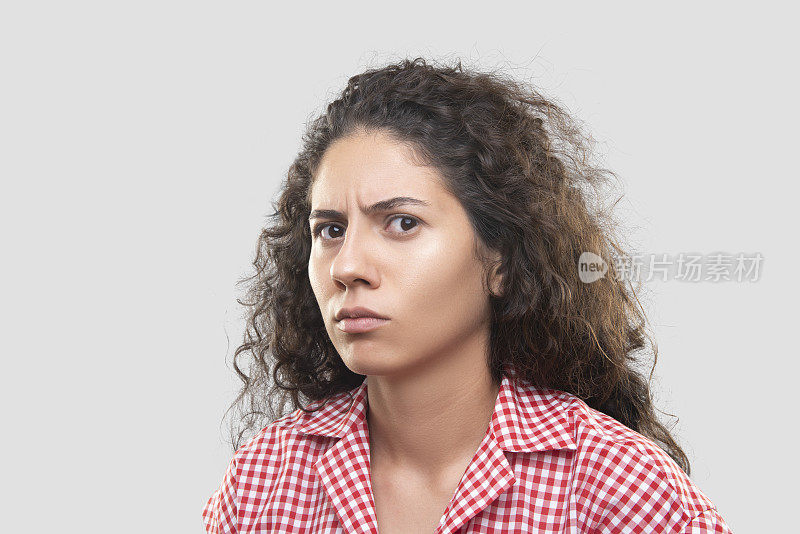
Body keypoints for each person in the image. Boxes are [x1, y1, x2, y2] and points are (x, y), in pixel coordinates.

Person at [202, 57, 733, 533]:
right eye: (331, 230)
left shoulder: (614, 489)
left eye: (402, 223)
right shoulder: (263, 483)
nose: (348, 267)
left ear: (500, 260)